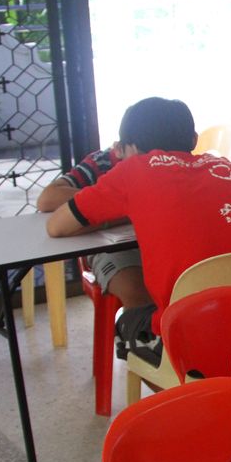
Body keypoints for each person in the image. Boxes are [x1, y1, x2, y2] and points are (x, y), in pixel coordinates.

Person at [45, 96, 231, 346]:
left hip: (184, 336)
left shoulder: (131, 171)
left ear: (129, 148)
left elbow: (56, 226)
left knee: (129, 320)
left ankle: (165, 366)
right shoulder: (225, 169)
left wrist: (113, 216)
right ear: (194, 140)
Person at [37, 143, 153, 342]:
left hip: (155, 240)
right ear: (119, 149)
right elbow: (47, 200)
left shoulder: (169, 159)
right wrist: (111, 199)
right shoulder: (103, 162)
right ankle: (145, 348)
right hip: (110, 247)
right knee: (134, 288)